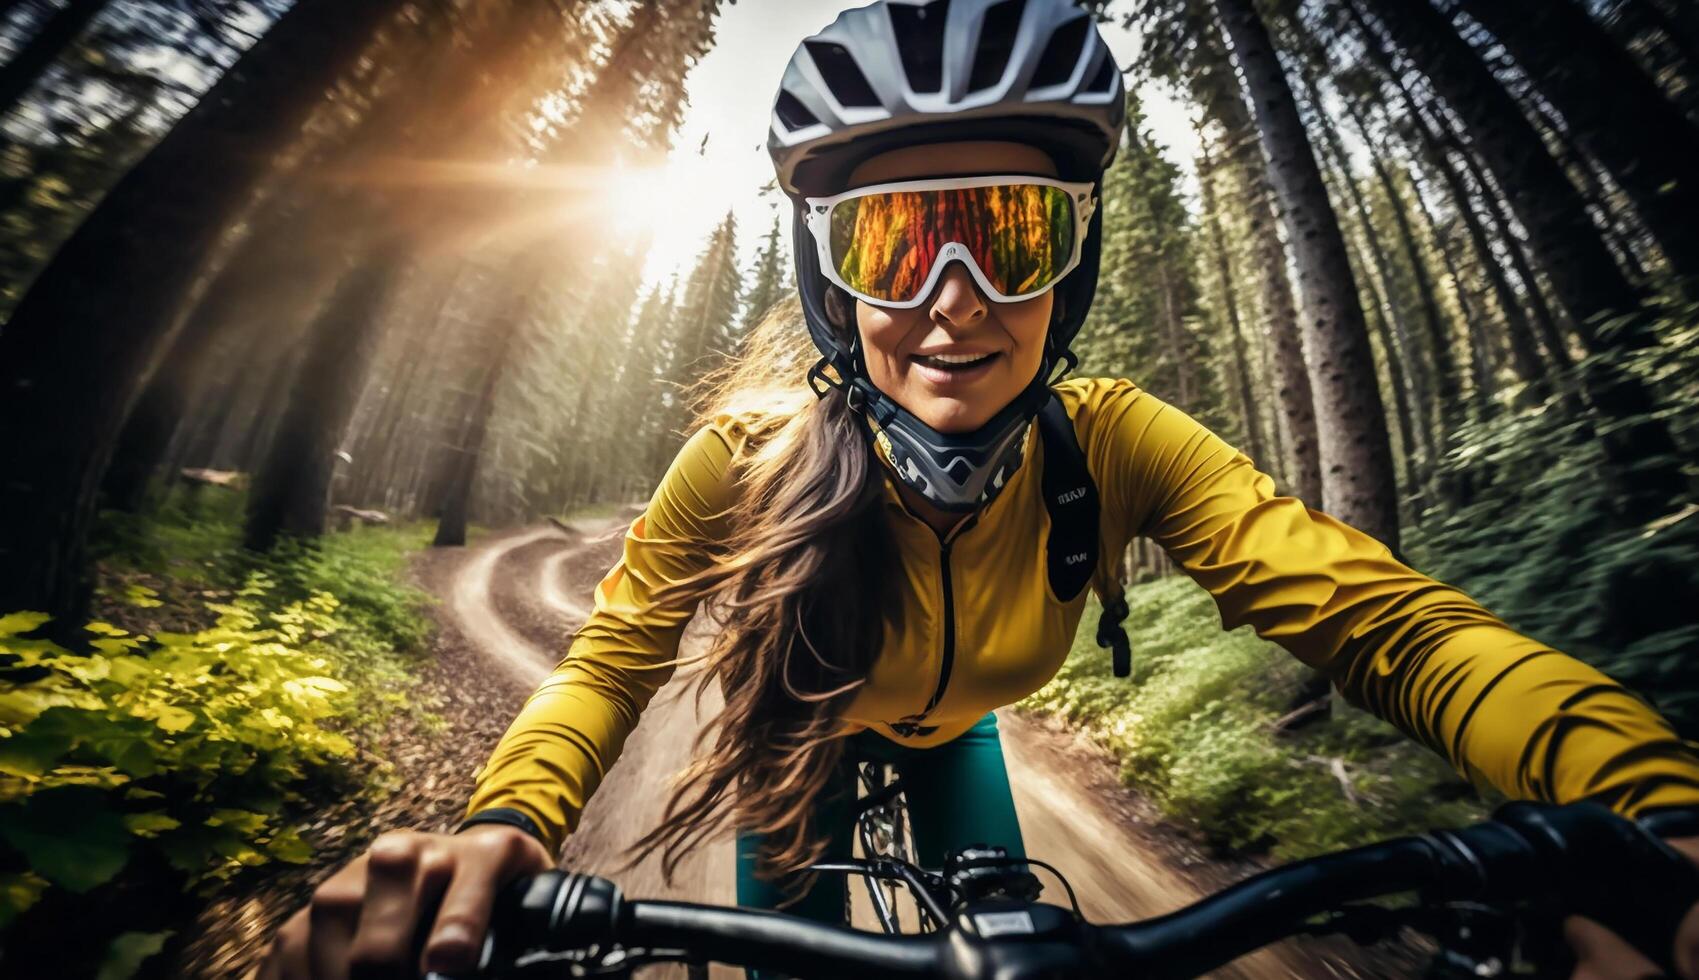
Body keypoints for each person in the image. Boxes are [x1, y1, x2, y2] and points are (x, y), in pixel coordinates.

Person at [260, 2, 1699, 977]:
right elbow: (616, 657)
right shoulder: (748, 457)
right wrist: (503, 829)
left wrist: (1655, 811)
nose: (955, 301)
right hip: (799, 755)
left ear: (1067, 266)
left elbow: (1387, 626)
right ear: (833, 274)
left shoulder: (1119, 438)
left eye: (1008, 232)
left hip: (963, 742)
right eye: (897, 245)